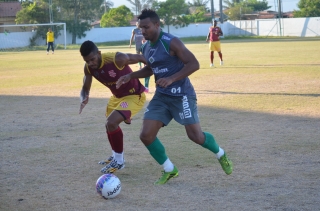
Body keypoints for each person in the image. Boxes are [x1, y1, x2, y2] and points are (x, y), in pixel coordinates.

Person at [116, 9, 233, 185]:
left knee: (196, 136)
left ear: (157, 25)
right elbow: (151, 68)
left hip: (182, 95)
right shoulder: (146, 47)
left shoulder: (171, 42)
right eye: (140, 28)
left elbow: (194, 64)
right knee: (146, 135)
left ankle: (221, 154)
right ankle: (170, 169)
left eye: (146, 27)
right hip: (162, 97)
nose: (143, 31)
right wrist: (130, 76)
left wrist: (171, 78)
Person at [79, 40, 147, 174]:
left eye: (92, 59)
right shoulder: (88, 68)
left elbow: (141, 58)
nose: (91, 63)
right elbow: (85, 88)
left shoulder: (117, 59)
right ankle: (115, 156)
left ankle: (119, 162)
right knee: (109, 125)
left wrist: (161, 69)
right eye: (87, 61)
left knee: (111, 122)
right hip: (117, 97)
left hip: (134, 95)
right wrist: (84, 97)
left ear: (99, 53)